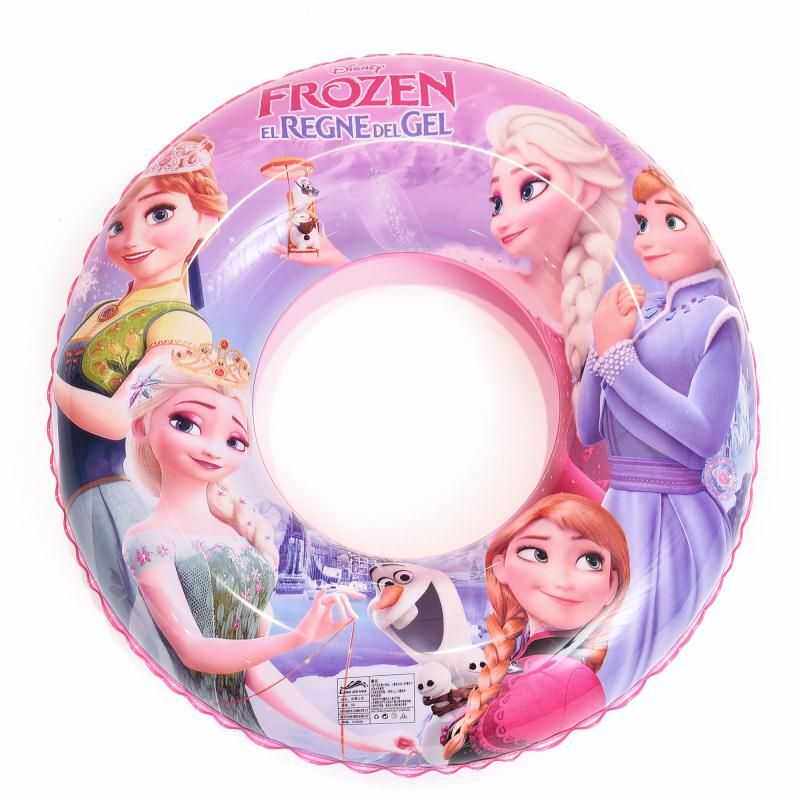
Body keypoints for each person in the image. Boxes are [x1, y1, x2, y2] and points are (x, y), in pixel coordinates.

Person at [124, 338, 407, 754]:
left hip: (238, 725)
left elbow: (256, 670)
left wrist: (357, 739)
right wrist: (297, 638)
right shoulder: (149, 538)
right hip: (177, 723)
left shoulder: (239, 535)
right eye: (186, 423)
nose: (213, 448)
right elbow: (194, 651)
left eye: (234, 440)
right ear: (141, 426)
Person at [576, 167, 743, 701]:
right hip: (619, 509)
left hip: (677, 515)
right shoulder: (643, 312)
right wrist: (597, 349)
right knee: (600, 652)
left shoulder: (718, 319)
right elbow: (588, 429)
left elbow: (704, 435)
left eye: (672, 221)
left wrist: (617, 356)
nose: (647, 239)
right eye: (643, 223)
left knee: (648, 659)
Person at [54, 134, 226, 624]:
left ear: (206, 220)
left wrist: (47, 383)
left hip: (108, 497)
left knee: (137, 619)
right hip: (67, 492)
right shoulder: (104, 311)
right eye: (118, 225)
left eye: (159, 213)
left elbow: (116, 419)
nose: (131, 239)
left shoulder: (181, 326)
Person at [443, 493, 629, 762]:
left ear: (612, 585)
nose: (561, 581)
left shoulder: (570, 680)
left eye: (591, 561)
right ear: (500, 566)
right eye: (537, 554)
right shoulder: (524, 661)